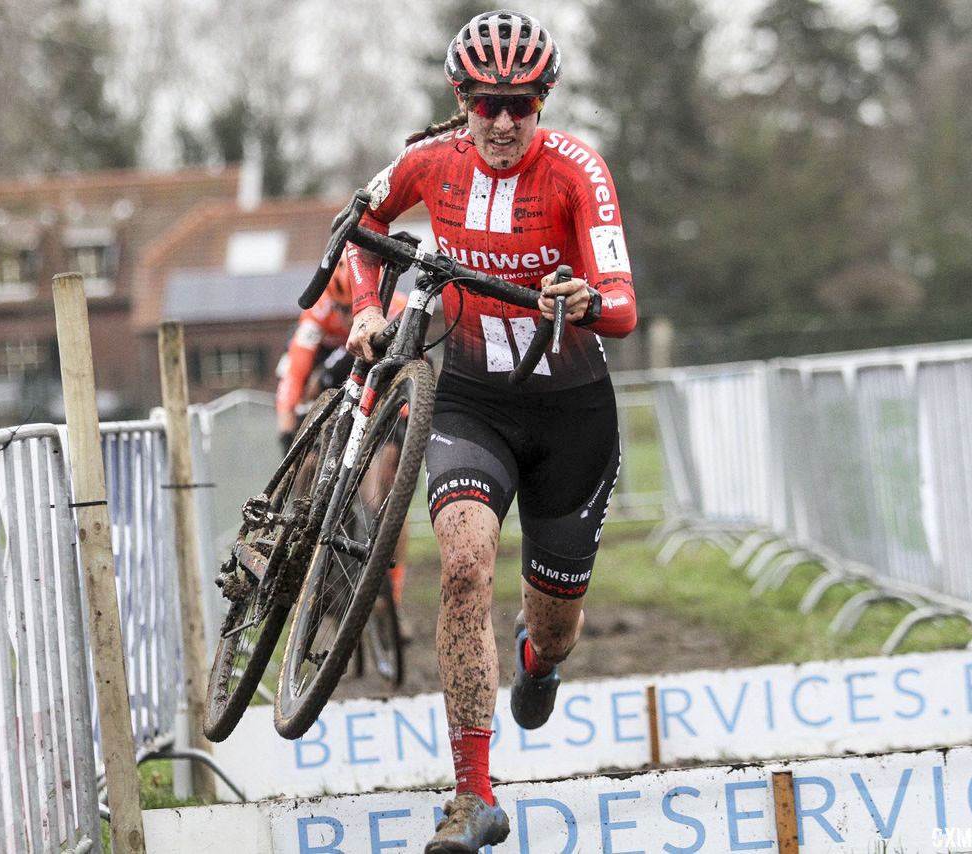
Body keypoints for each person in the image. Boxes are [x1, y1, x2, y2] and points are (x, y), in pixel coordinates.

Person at [344, 10, 637, 851]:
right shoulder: (429, 163)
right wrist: (367, 312)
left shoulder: (579, 170)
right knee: (465, 565)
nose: (504, 122)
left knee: (554, 625)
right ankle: (474, 797)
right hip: (472, 400)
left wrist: (585, 298)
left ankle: (540, 662)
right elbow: (358, 230)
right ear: (460, 101)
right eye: (486, 105)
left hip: (570, 414)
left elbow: (623, 301)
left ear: (542, 100)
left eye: (520, 104)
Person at [276, 249, 411, 612]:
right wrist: (288, 426)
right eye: (337, 309)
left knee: (386, 489)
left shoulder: (395, 307)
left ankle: (392, 594)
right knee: (304, 469)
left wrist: (404, 417)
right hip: (333, 387)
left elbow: (413, 374)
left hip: (385, 396)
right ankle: (308, 570)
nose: (341, 317)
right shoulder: (317, 314)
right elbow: (294, 375)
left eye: (346, 309)